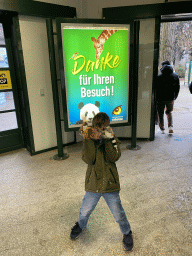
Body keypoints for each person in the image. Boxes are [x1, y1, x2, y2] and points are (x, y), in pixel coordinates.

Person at [70, 112, 133, 251]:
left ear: (108, 127)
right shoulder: (89, 138)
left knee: (118, 213)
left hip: (110, 183)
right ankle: (81, 225)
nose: (100, 132)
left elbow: (114, 157)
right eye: (98, 129)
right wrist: (89, 140)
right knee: (85, 211)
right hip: (93, 184)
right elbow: (89, 159)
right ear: (93, 127)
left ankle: (127, 232)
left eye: (104, 128)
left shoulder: (112, 138)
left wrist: (109, 139)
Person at [155, 60, 180, 134]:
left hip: (160, 98)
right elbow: (177, 88)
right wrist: (175, 96)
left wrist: (156, 97)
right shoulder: (175, 76)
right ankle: (170, 127)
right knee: (169, 112)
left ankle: (162, 129)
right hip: (170, 98)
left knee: (160, 113)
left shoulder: (159, 76)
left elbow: (156, 88)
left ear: (162, 66)